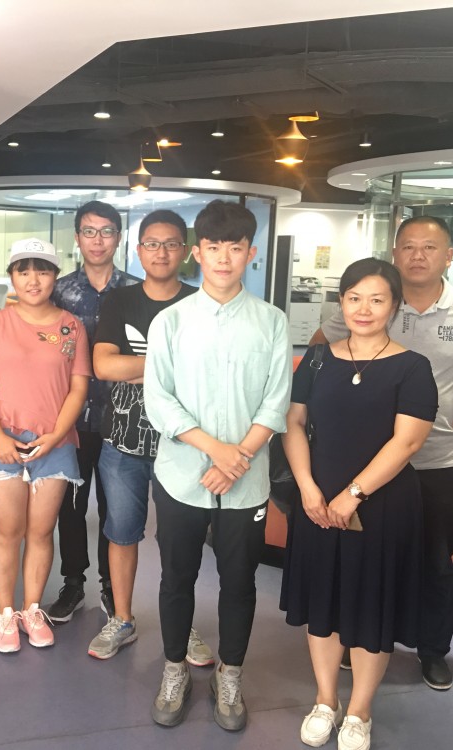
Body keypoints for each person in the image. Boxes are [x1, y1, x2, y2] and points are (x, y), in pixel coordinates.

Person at [311, 215, 453, 691]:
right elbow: (320, 349)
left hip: (437, 460)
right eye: (408, 246)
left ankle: (433, 650)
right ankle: (359, 638)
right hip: (365, 466)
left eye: (429, 248)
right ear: (394, 253)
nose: (418, 256)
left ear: (449, 256)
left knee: (435, 560)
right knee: (367, 559)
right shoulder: (375, 302)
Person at [144, 199, 291, 731]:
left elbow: (276, 401)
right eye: (213, 247)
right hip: (182, 476)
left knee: (240, 581)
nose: (224, 258)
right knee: (176, 578)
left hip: (246, 482)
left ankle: (230, 675)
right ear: (197, 253)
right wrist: (217, 450)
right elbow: (159, 400)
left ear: (251, 253)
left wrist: (237, 458)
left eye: (235, 247)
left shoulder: (272, 322)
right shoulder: (170, 321)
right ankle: (174, 668)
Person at [282, 258, 438, 750]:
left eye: (376, 299)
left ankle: (359, 711)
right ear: (341, 302)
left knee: (372, 605)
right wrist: (307, 487)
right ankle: (325, 700)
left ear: (395, 306)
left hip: (381, 504)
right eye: (354, 298)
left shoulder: (412, 367)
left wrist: (352, 495)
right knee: (322, 602)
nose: (363, 309)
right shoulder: (318, 359)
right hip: (317, 502)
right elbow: (293, 424)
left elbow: (407, 442)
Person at [86, 209, 212, 667]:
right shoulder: (120, 301)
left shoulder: (201, 303)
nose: (161, 253)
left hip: (185, 443)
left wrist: (138, 368)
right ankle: (122, 618)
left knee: (181, 540)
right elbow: (104, 366)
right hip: (123, 441)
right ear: (138, 251)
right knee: (121, 533)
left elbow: (208, 372)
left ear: (186, 251)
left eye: (171, 244)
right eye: (152, 244)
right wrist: (168, 366)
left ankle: (182, 622)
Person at [0, 238, 91, 653]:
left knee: (41, 531)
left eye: (42, 270)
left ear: (55, 276)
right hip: (1, 440)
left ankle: (32, 609)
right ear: (12, 277)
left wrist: (56, 435)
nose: (33, 279)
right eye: (23, 271)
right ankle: (6, 614)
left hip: (54, 443)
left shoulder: (72, 326)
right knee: (7, 531)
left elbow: (78, 388)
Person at [46, 200, 139, 622]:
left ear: (118, 237)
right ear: (77, 238)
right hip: (71, 418)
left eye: (106, 231)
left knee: (115, 508)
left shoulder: (136, 291)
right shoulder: (59, 291)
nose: (97, 240)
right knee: (70, 505)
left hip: (124, 419)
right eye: (89, 231)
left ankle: (110, 585)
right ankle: (72, 583)